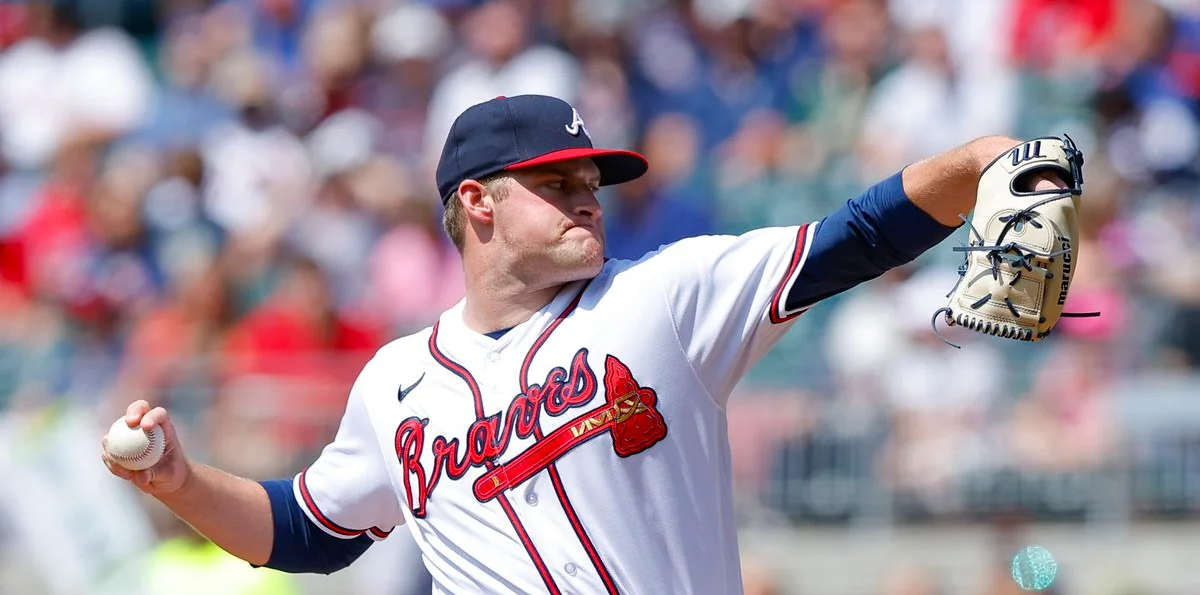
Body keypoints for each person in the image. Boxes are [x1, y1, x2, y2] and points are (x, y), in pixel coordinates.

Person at [102, 94, 1068, 593]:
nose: (586, 195)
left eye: (590, 180)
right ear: (476, 203)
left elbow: (852, 238)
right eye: (556, 182)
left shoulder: (666, 298)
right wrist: (181, 484)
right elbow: (309, 532)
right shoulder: (395, 382)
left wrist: (977, 161)